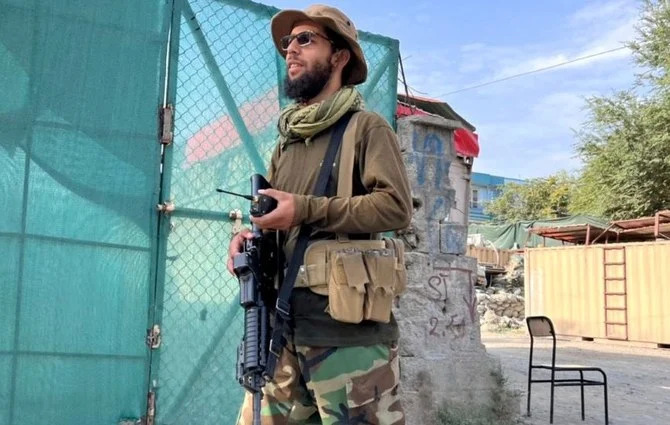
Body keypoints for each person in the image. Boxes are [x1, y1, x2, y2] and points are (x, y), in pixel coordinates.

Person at [228, 5, 412, 425]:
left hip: (348, 342)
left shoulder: (366, 129)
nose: (290, 50)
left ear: (340, 56)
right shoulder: (287, 144)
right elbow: (279, 222)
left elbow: (396, 207)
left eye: (305, 39)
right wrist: (249, 243)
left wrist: (306, 209)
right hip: (283, 333)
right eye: (287, 42)